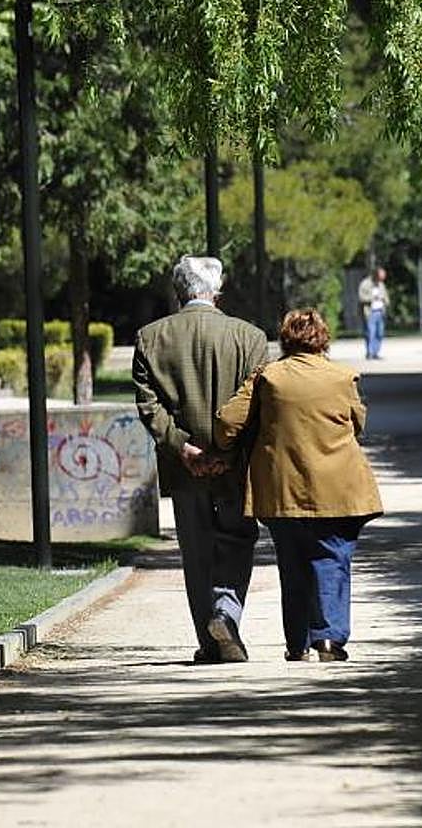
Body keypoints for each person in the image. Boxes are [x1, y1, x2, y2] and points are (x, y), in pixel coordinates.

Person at [214, 308, 382, 662]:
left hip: (282, 490)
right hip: (339, 489)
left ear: (285, 339)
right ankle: (329, 640)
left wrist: (230, 447)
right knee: (333, 558)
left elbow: (228, 423)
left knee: (292, 563)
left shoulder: (268, 377)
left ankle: (298, 644)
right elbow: (358, 424)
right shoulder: (342, 377)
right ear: (323, 339)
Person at [132, 256, 269, 663]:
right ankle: (225, 612)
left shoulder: (150, 338)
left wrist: (182, 447)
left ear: (178, 291)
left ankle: (210, 644)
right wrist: (227, 451)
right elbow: (256, 405)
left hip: (182, 466)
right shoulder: (250, 338)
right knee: (239, 537)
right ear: (216, 291)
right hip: (235, 463)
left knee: (196, 551)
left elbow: (149, 405)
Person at [357, 266, 390, 359]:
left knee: (380, 333)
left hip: (380, 312)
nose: (381, 280)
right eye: (380, 278)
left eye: (382, 278)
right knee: (370, 333)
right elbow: (361, 297)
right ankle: (370, 353)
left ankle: (375, 352)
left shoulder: (381, 284)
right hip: (370, 312)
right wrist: (372, 298)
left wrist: (386, 301)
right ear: (375, 275)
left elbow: (386, 296)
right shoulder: (365, 284)